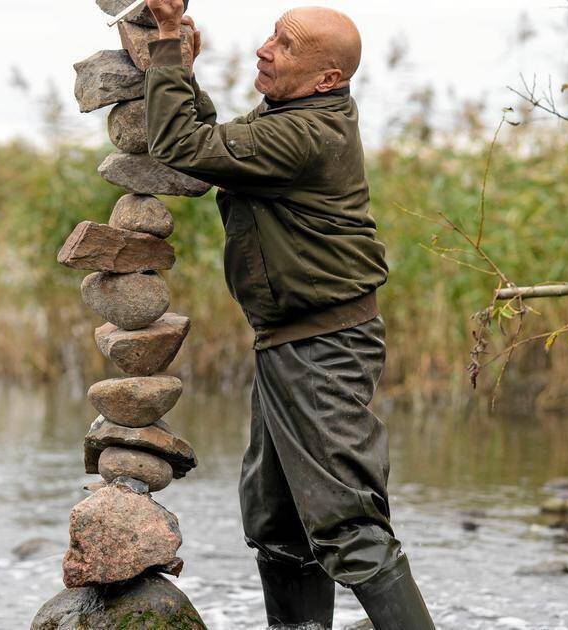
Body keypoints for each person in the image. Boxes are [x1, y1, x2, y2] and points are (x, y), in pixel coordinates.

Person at [141, 1, 436, 628]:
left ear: (327, 77)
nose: (264, 48)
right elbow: (214, 147)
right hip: (289, 344)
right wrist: (184, 69)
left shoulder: (304, 134)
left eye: (286, 44)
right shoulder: (292, 113)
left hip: (324, 348)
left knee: (348, 526)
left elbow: (179, 145)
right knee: (277, 523)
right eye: (272, 33)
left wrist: (168, 39)